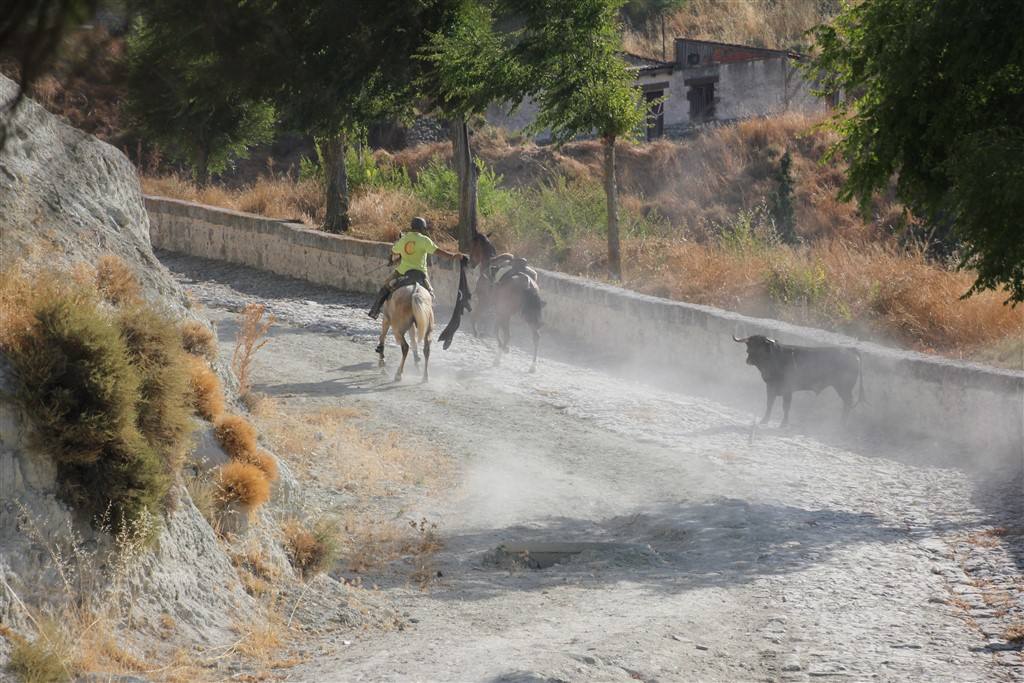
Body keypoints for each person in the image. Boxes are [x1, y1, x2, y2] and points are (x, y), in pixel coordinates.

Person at [367, 216, 467, 319]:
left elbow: (394, 251)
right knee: (431, 295)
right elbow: (438, 252)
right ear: (422, 228)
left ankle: (375, 310)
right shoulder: (424, 240)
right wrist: (453, 256)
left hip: (402, 272)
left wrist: (395, 258)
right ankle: (430, 317)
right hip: (420, 274)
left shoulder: (404, 239)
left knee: (385, 287)